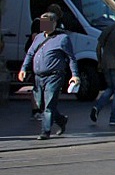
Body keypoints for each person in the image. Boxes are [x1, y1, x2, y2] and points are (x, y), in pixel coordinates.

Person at [19, 11, 81, 140]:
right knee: (40, 104)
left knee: (49, 105)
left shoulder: (63, 39)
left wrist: (75, 75)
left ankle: (45, 131)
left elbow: (71, 58)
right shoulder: (38, 38)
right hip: (38, 77)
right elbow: (30, 54)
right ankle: (61, 120)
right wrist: (23, 69)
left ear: (54, 23)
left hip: (54, 76)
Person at [90, 9, 115, 125]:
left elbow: (98, 46)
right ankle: (114, 117)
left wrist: (100, 61)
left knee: (110, 88)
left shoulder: (107, 29)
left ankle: (97, 107)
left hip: (106, 64)